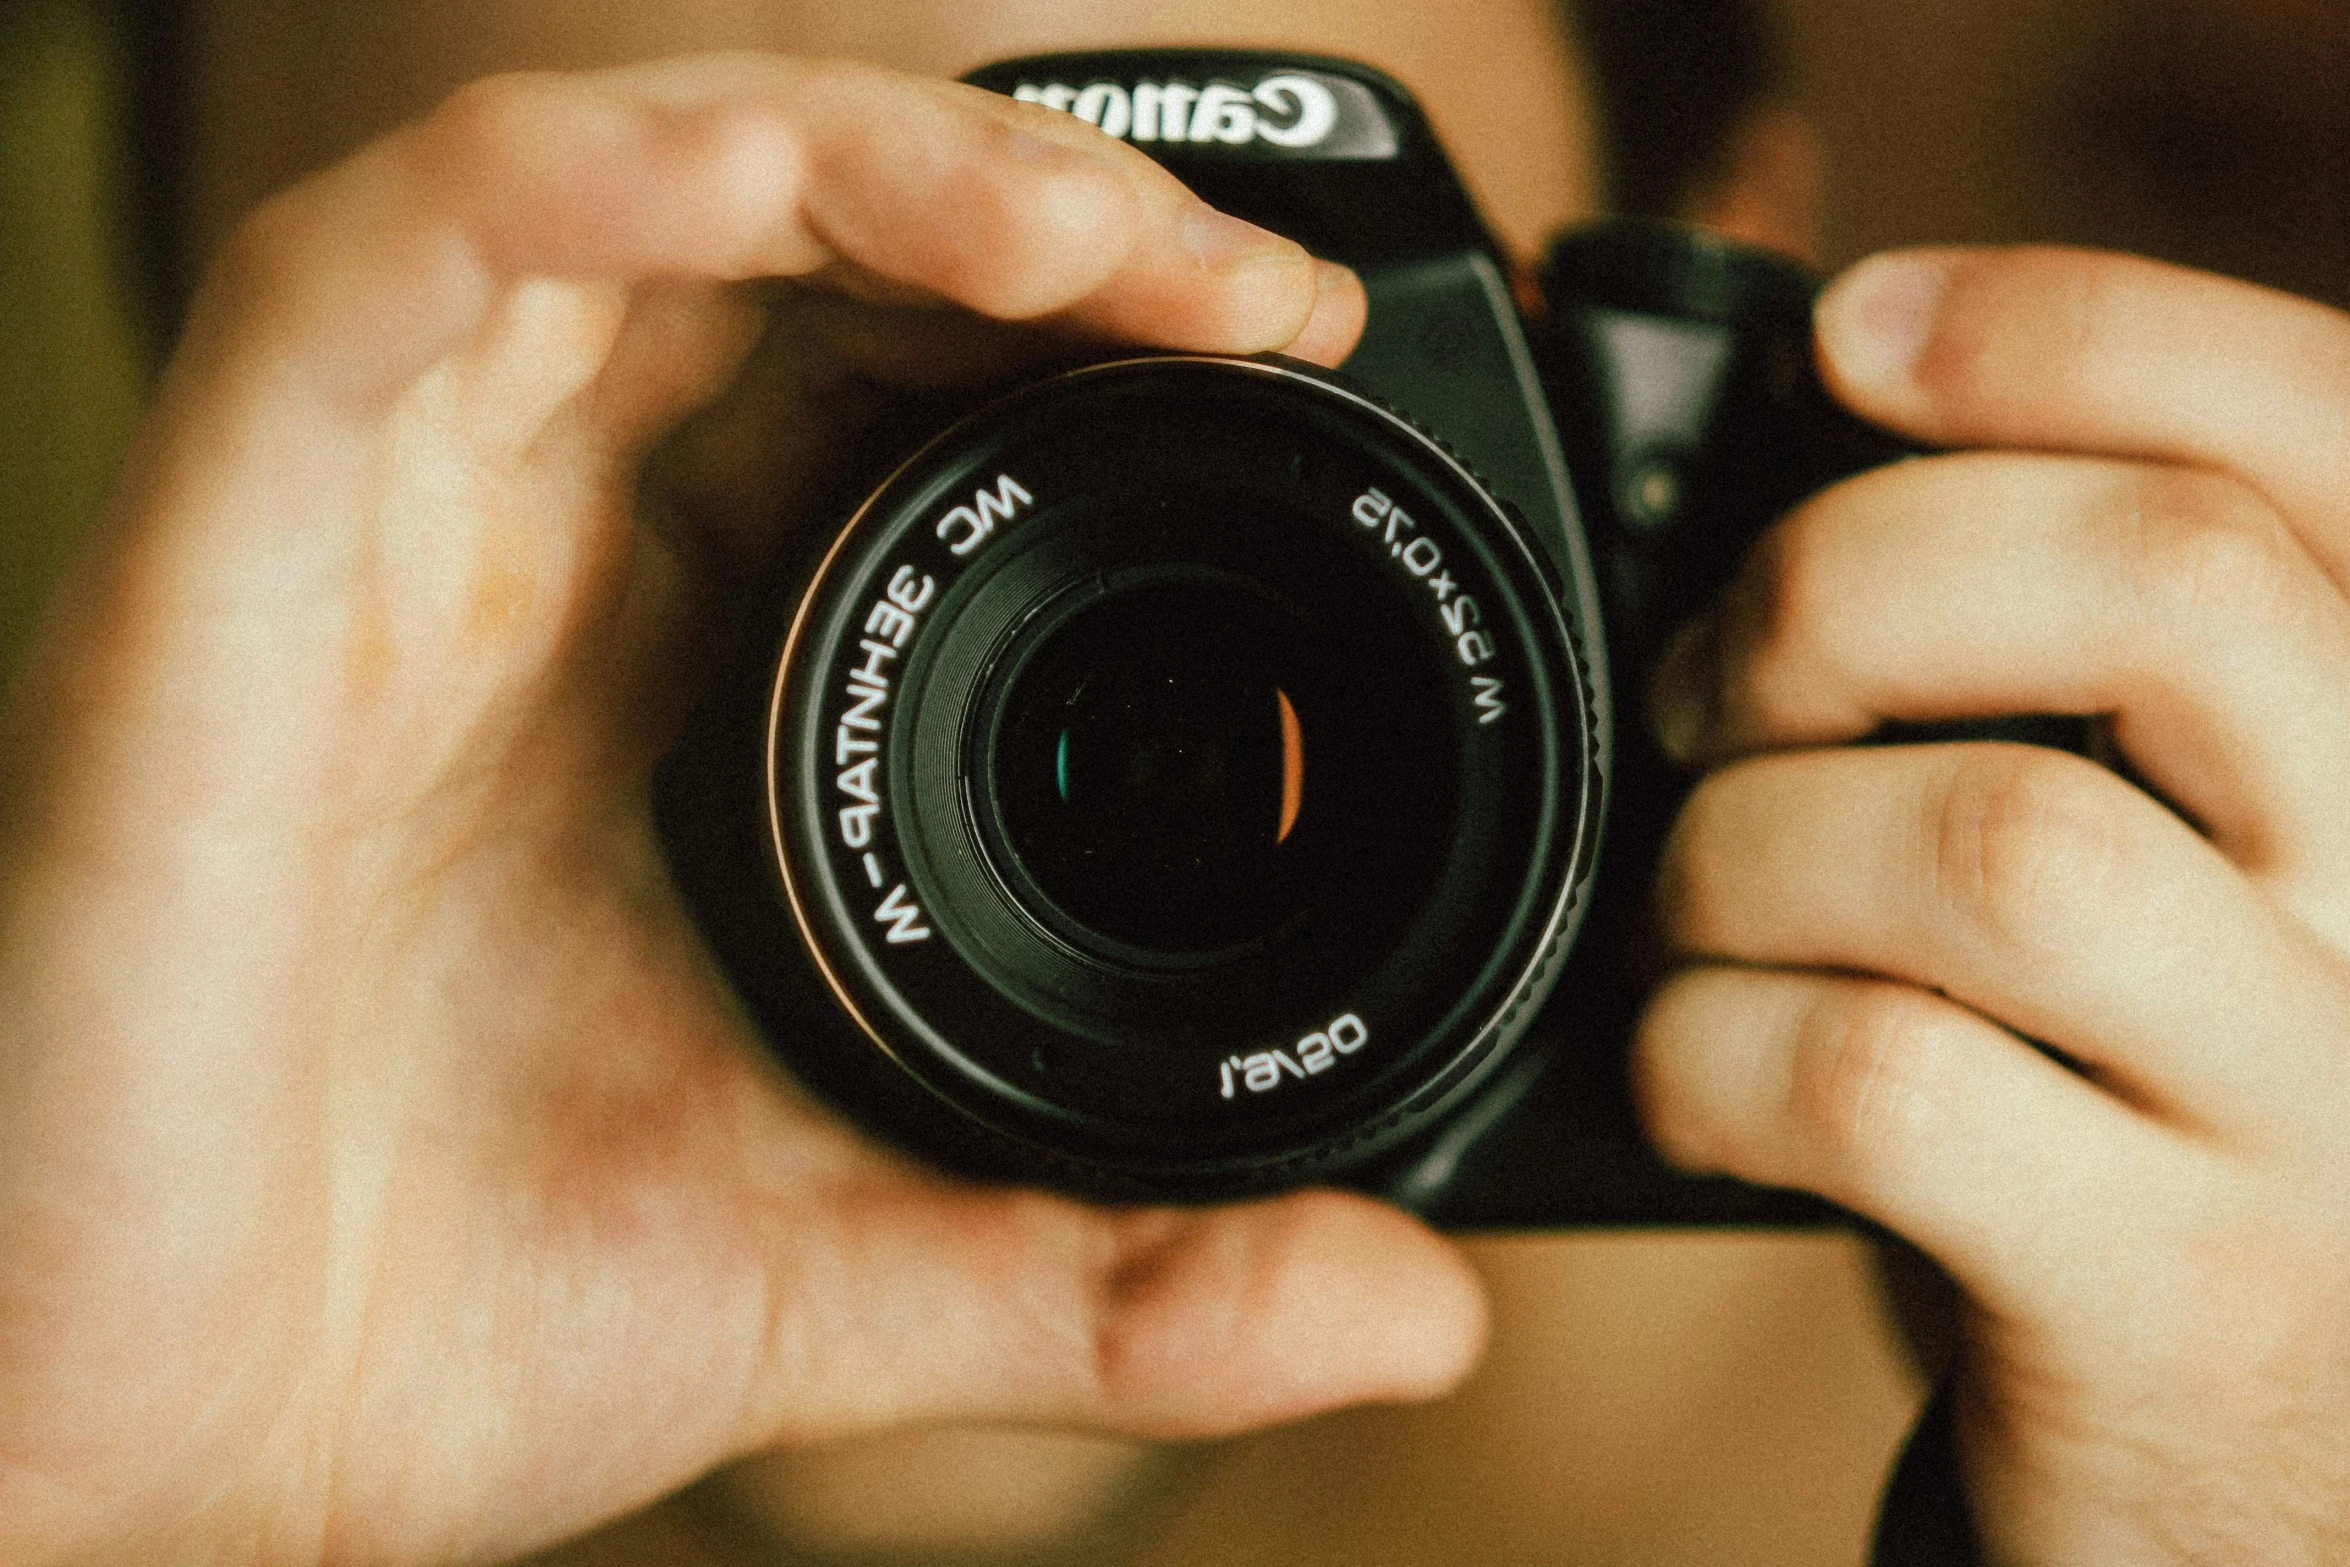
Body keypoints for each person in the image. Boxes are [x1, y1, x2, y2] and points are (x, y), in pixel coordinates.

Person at [3, 2, 2346, 1563]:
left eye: (1267, 428)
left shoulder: (2153, 1332)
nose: (870, 685)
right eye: (651, 411)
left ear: (1665, 409)